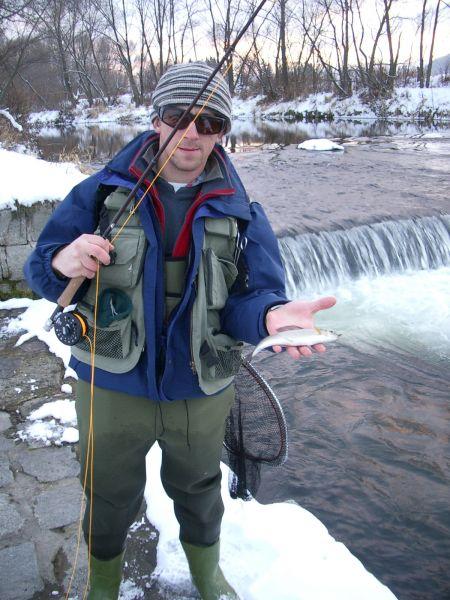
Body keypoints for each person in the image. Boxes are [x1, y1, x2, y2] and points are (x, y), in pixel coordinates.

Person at [24, 62, 336, 600]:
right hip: (110, 381)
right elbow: (40, 267)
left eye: (210, 122)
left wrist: (270, 317)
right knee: (106, 492)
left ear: (223, 132)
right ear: (156, 120)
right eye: (179, 116)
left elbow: (253, 298)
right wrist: (61, 263)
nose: (192, 133)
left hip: (200, 384)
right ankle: (103, 584)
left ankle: (206, 574)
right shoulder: (97, 194)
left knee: (199, 488)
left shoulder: (243, 214)